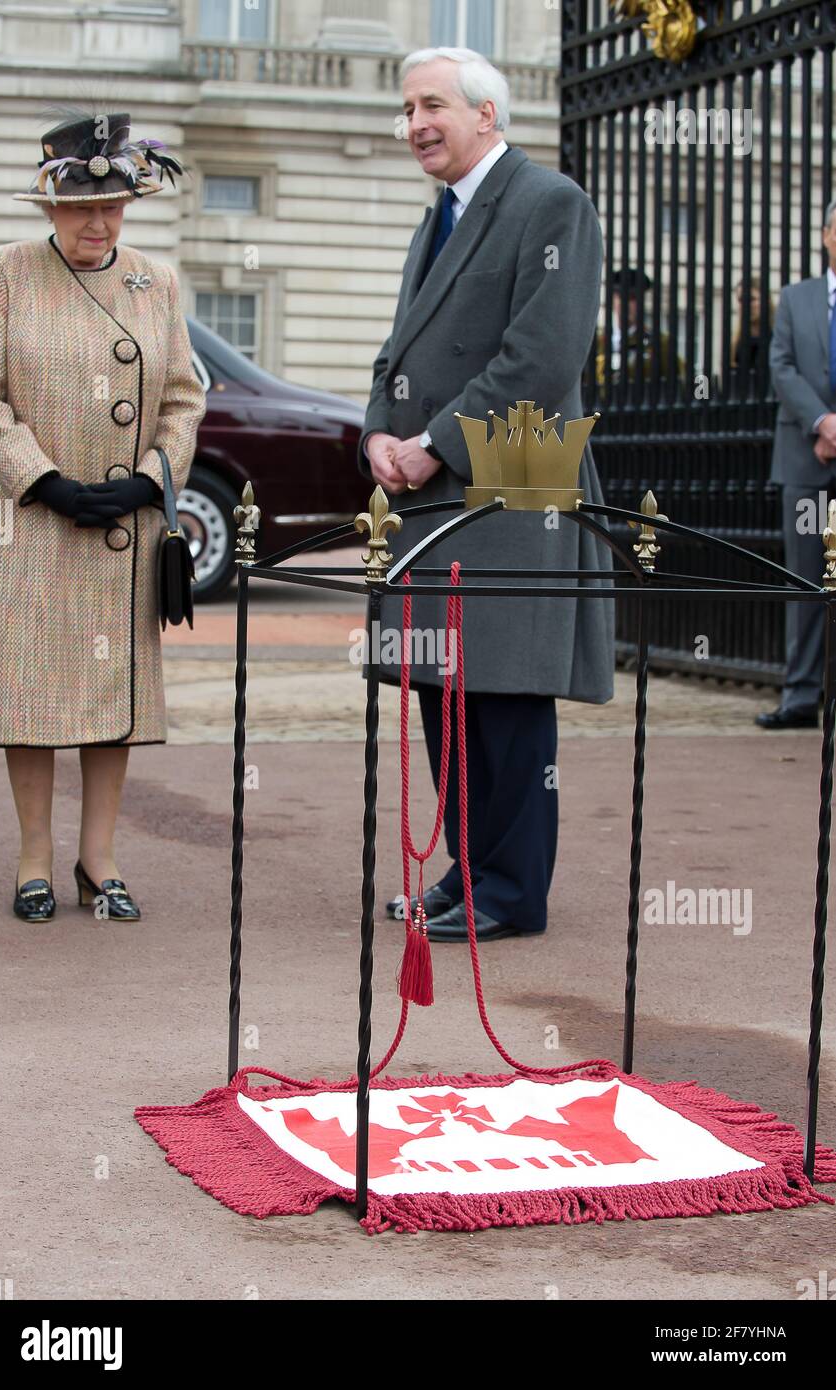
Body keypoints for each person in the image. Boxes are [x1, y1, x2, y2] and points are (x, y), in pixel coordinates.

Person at [360, 48, 614, 944]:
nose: (415, 124)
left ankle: (510, 892)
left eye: (431, 105)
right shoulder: (442, 214)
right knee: (446, 688)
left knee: (502, 694)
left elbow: (540, 361)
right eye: (407, 110)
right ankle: (468, 874)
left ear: (486, 113)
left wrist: (432, 444)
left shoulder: (550, 202)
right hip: (439, 487)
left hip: (513, 477)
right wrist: (378, 435)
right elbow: (400, 354)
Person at [0, 107, 206, 920]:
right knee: (32, 696)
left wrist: (150, 480)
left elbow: (184, 396)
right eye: (79, 208)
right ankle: (34, 859)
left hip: (121, 524)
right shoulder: (2, 272)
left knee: (112, 697)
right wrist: (44, 483)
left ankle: (97, 860)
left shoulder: (155, 278)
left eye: (111, 207)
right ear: (49, 208)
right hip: (31, 520)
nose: (98, 223)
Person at [757, 199, 836, 729]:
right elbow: (781, 367)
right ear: (828, 235)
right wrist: (824, 423)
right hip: (807, 456)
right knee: (804, 579)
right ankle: (802, 696)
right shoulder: (796, 297)